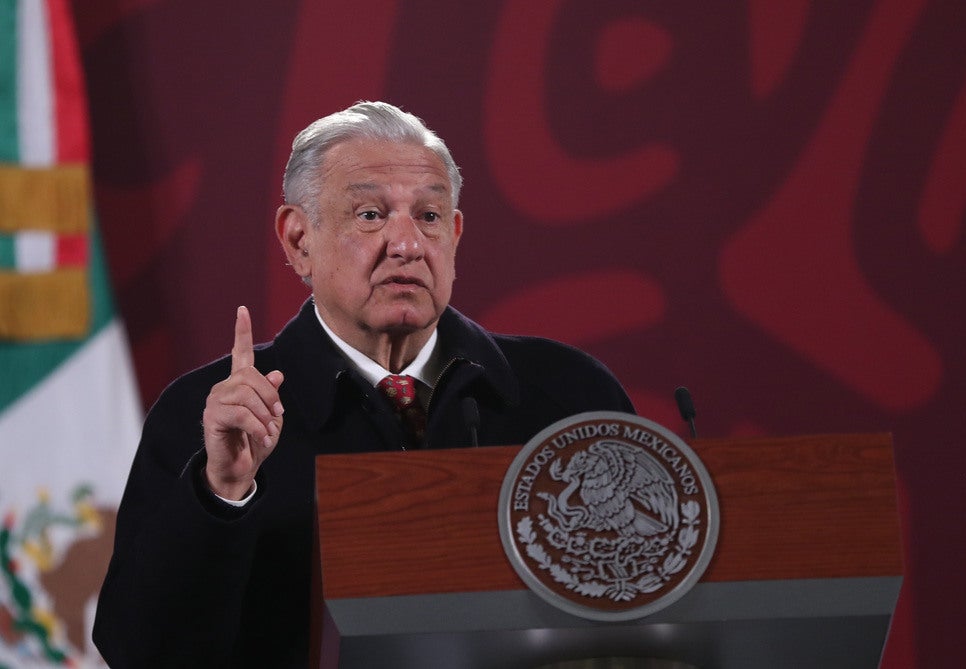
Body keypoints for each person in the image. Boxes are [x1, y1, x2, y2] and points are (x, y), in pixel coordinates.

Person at [93, 101, 634, 667]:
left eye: (428, 216)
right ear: (299, 239)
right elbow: (141, 652)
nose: (406, 245)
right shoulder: (213, 417)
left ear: (453, 235)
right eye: (371, 215)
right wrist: (220, 492)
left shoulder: (570, 395)